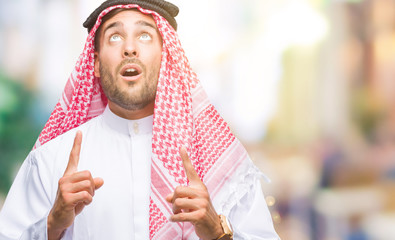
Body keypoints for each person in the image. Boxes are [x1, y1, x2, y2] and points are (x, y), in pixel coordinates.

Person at [0, 0, 280, 239]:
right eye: (115, 37)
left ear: (165, 57)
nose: (130, 48)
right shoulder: (52, 160)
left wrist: (217, 231)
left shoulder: (216, 160)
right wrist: (51, 224)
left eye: (144, 36)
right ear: (95, 64)